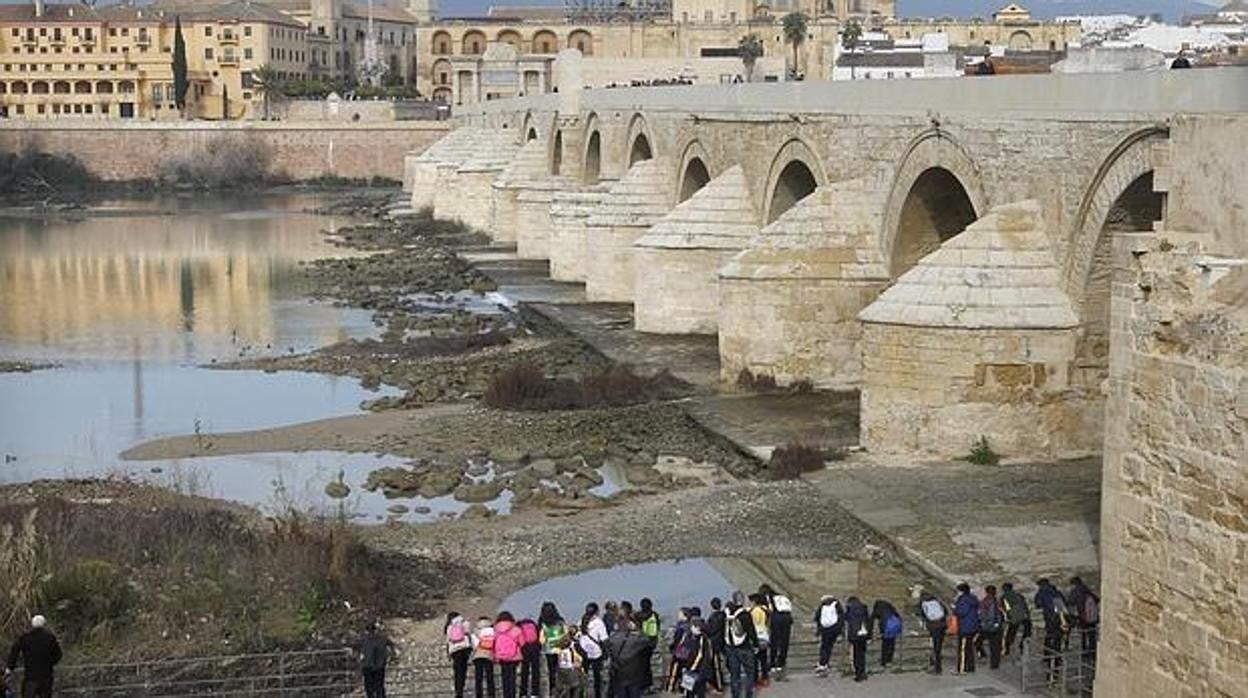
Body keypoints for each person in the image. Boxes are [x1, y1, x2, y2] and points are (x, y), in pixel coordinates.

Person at [5, 616, 61, 698]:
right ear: (44, 624)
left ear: (32, 624)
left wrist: (10, 667)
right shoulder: (50, 638)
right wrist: (50, 663)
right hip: (46, 676)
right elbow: (58, 655)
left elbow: (14, 651)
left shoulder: (25, 638)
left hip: (30, 677)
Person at [1035, 578, 1071, 682]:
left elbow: (1038, 604)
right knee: (1057, 639)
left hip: (1051, 621)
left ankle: (1050, 660)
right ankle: (1055, 657)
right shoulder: (1056, 592)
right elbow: (1063, 606)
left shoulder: (1042, 593)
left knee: (1051, 638)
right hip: (1061, 620)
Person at [723, 594, 758, 698]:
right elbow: (751, 631)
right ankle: (748, 694)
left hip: (730, 648)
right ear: (742, 601)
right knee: (750, 673)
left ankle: (735, 695)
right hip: (744, 647)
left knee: (735, 674)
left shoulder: (727, 613)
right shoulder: (745, 615)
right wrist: (756, 645)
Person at [607, 620, 651, 698]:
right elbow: (647, 640)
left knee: (621, 694)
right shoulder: (635, 639)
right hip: (634, 673)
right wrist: (637, 630)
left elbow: (608, 650)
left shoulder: (612, 639)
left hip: (619, 673)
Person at [761, 585, 793, 681]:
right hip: (787, 618)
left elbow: (770, 609)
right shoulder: (781, 597)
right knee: (784, 642)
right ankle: (781, 663)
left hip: (777, 618)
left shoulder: (769, 597)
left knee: (774, 641)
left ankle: (773, 664)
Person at [357, 621, 394, 698]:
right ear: (375, 629)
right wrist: (391, 655)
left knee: (369, 688)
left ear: (366, 630)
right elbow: (390, 643)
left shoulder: (363, 639)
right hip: (379, 666)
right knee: (379, 687)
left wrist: (358, 657)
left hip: (367, 665)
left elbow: (354, 646)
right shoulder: (382, 638)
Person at [580, 603, 609, 698]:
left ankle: (581, 694)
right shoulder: (599, 623)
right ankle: (598, 695)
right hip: (596, 653)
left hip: (583, 652)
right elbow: (604, 639)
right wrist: (607, 652)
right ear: (596, 612)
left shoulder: (581, 620)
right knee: (597, 677)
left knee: (583, 675)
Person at [493, 612, 524, 698]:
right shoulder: (516, 629)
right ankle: (512, 695)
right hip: (514, 657)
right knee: (512, 678)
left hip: (501, 656)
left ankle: (505, 695)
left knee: (504, 677)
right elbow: (522, 643)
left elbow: (493, 642)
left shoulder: (496, 629)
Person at [540, 602, 568, 696]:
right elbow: (566, 634)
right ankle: (563, 691)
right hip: (561, 649)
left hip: (549, 650)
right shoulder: (560, 621)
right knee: (561, 670)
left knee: (551, 672)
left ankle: (552, 691)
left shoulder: (542, 622)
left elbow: (542, 639)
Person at [682, 618, 715, 698]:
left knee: (691, 691)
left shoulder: (699, 638)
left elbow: (698, 655)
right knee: (698, 691)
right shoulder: (706, 638)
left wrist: (689, 667)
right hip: (700, 669)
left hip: (696, 668)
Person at [665, 609, 695, 693]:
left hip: (680, 651)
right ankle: (686, 688)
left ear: (684, 615)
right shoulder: (690, 626)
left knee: (675, 669)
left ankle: (671, 687)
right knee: (687, 670)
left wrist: (672, 648)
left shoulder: (681, 627)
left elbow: (677, 640)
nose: (678, 615)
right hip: (689, 651)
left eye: (680, 614)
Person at [634, 598, 661, 693]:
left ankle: (641, 686)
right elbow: (658, 628)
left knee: (640, 666)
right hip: (651, 643)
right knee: (647, 666)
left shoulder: (637, 615)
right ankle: (649, 686)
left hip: (640, 644)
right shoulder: (655, 615)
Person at [917, 591, 948, 674]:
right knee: (938, 647)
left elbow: (922, 615)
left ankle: (936, 668)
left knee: (935, 647)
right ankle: (937, 666)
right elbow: (946, 612)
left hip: (933, 627)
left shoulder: (923, 604)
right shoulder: (938, 602)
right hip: (942, 626)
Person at [953, 583, 981, 674]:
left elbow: (962, 612)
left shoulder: (964, 600)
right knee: (969, 648)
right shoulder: (973, 598)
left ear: (961, 591)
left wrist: (955, 609)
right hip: (973, 626)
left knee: (963, 649)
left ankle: (962, 669)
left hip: (965, 627)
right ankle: (970, 667)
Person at [1067, 577, 1099, 655]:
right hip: (1092, 616)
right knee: (1092, 634)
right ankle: (1093, 649)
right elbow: (1097, 599)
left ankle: (1084, 649)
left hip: (1083, 616)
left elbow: (1071, 602)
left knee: (1083, 633)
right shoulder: (1086, 590)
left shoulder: (1075, 591)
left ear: (1074, 584)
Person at [813, 594, 843, 677]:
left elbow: (817, 618)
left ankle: (823, 663)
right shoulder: (837, 605)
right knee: (829, 646)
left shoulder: (822, 606)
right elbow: (841, 617)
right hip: (834, 629)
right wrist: (839, 629)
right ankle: (825, 662)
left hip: (825, 629)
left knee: (824, 646)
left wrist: (818, 631)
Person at [976, 585, 1004, 669]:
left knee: (978, 641)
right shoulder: (996, 601)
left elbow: (980, 614)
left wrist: (983, 624)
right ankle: (994, 664)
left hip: (985, 627)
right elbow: (997, 615)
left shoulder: (984, 601)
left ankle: (982, 655)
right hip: (995, 627)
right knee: (995, 647)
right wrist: (997, 624)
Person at [1000, 582, 1031, 658]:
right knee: (1027, 632)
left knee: (1010, 633)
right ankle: (1023, 645)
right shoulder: (1019, 595)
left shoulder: (1004, 597)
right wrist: (1028, 616)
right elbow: (1025, 606)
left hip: (1015, 617)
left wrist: (1008, 617)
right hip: (1025, 617)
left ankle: (1007, 649)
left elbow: (1007, 609)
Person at [843, 596, 871, 683]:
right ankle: (863, 672)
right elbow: (868, 621)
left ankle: (858, 675)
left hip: (855, 635)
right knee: (862, 655)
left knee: (856, 655)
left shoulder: (850, 609)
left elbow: (846, 618)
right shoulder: (864, 608)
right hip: (863, 634)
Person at [870, 599, 903, 669]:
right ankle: (889, 660)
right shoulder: (890, 606)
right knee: (892, 643)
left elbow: (872, 618)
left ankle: (884, 661)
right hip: (893, 627)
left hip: (885, 626)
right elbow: (897, 615)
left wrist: (870, 633)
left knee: (885, 644)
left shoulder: (878, 608)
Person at [448, 613, 474, 698]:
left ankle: (458, 693)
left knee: (457, 672)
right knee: (463, 671)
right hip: (465, 649)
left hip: (455, 650)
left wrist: (449, 653)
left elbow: (448, 640)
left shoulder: (449, 625)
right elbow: (469, 634)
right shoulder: (465, 622)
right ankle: (462, 687)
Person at [471, 616, 497, 698]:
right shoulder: (493, 630)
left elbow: (474, 646)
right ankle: (491, 695)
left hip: (478, 656)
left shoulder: (476, 631)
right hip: (489, 655)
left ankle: (479, 695)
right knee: (490, 677)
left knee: (479, 678)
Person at [518, 616, 543, 698]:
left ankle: (523, 693)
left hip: (525, 648)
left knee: (524, 671)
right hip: (535, 648)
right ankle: (535, 693)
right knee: (535, 671)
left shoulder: (520, 625)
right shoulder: (534, 625)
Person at [554, 633, 586, 698]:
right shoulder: (570, 650)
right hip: (570, 671)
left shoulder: (559, 650)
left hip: (561, 671)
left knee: (565, 687)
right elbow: (579, 659)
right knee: (576, 686)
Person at [705, 597, 726, 693]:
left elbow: (710, 630)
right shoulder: (724, 615)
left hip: (714, 643)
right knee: (724, 662)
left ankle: (719, 685)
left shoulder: (713, 617)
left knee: (715, 665)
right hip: (724, 641)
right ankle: (721, 682)